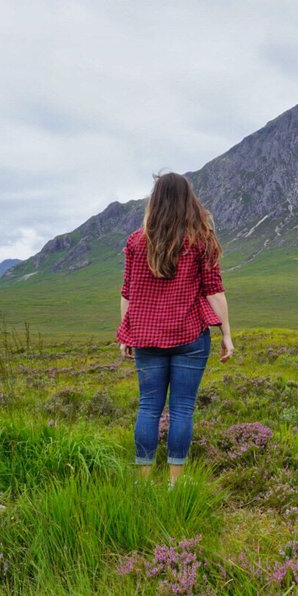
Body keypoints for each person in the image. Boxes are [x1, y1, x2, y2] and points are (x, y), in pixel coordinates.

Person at [117, 171, 234, 486]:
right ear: (188, 200)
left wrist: (125, 331)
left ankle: (142, 482)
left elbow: (127, 291)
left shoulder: (136, 241)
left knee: (148, 407)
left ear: (155, 200)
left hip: (146, 337)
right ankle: (174, 484)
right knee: (182, 409)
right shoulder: (200, 239)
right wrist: (226, 334)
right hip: (190, 336)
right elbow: (214, 290)